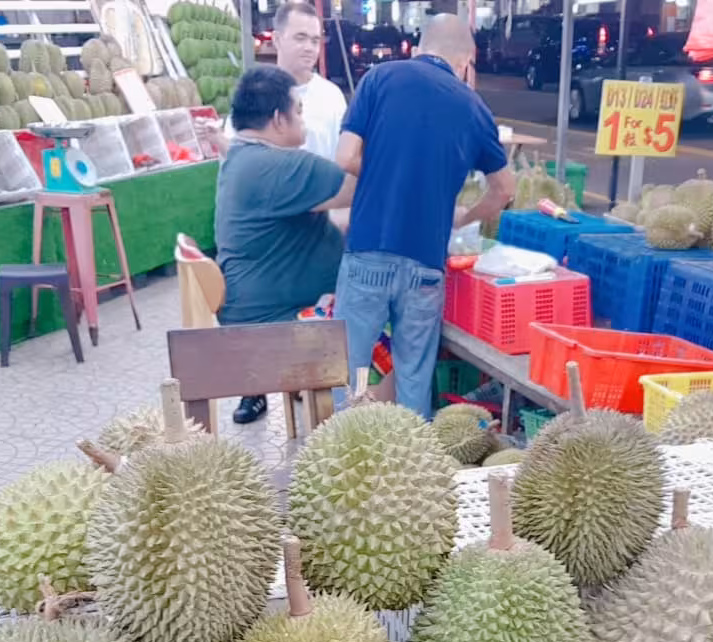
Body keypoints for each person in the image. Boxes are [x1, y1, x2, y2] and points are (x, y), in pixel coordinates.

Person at [334, 14, 515, 418]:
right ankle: (415, 461)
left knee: (352, 375)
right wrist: (465, 216)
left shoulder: (380, 78)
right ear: (467, 61)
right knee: (414, 379)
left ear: (418, 48)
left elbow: (345, 156)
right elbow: (505, 189)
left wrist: (383, 172)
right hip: (425, 269)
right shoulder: (474, 107)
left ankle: (349, 460)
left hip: (368, 255)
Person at [214, 65, 354, 424]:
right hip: (277, 326)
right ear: (279, 119)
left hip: (253, 312)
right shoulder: (276, 166)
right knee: (394, 324)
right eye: (299, 112)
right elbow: (360, 183)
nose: (303, 120)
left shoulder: (244, 158)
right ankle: (358, 433)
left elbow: (326, 215)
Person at [215, 2, 348, 161]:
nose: (309, 48)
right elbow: (234, 159)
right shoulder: (253, 92)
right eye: (300, 38)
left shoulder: (331, 96)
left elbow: (343, 161)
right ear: (277, 40)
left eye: (315, 41)